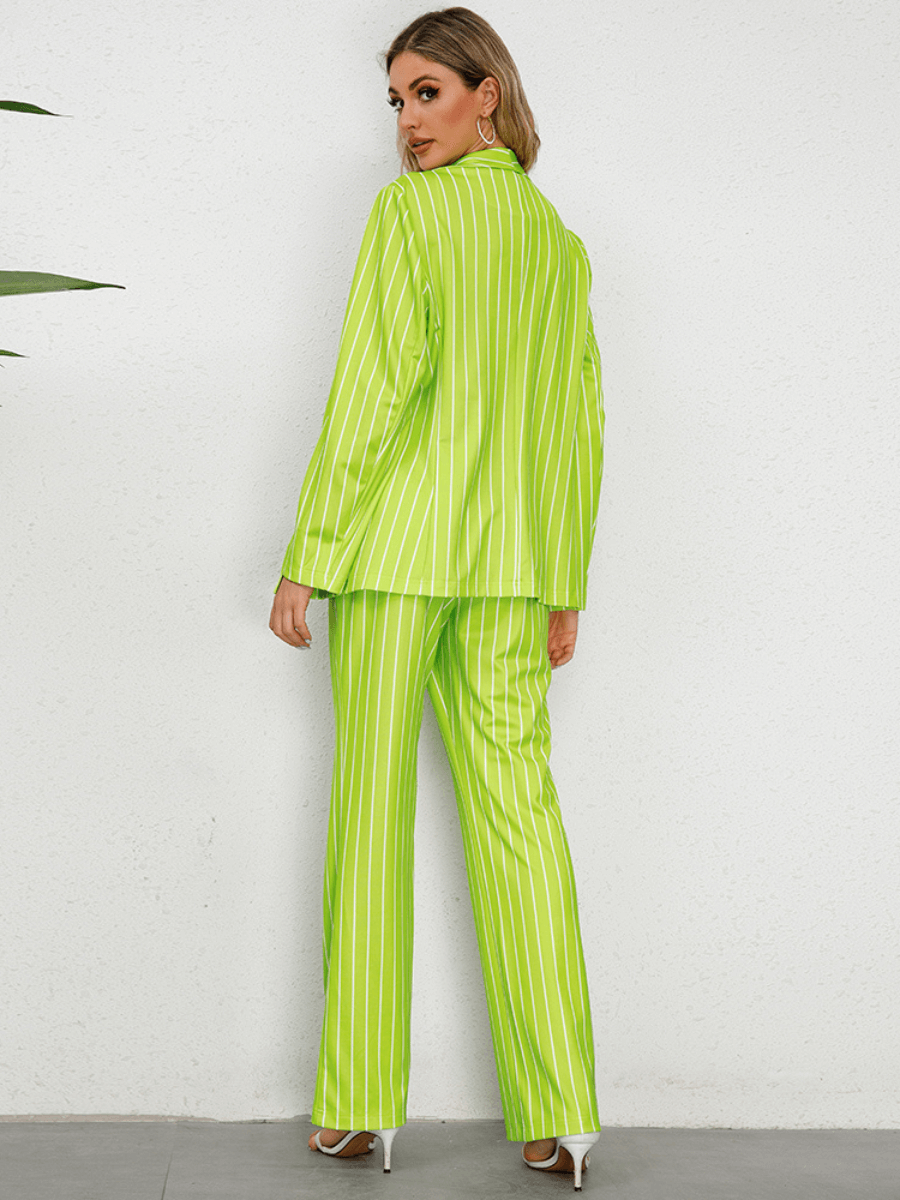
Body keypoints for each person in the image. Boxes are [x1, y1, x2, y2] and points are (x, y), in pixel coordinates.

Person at [269, 7, 605, 1190]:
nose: (408, 122)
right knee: (521, 816)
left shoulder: (408, 217)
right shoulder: (556, 241)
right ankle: (561, 1118)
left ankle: (362, 1105)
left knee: (370, 809)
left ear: (486, 95)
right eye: (397, 102)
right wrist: (563, 580)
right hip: (514, 572)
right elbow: (576, 423)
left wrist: (310, 552)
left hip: (396, 560)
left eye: (427, 93)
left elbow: (371, 390)